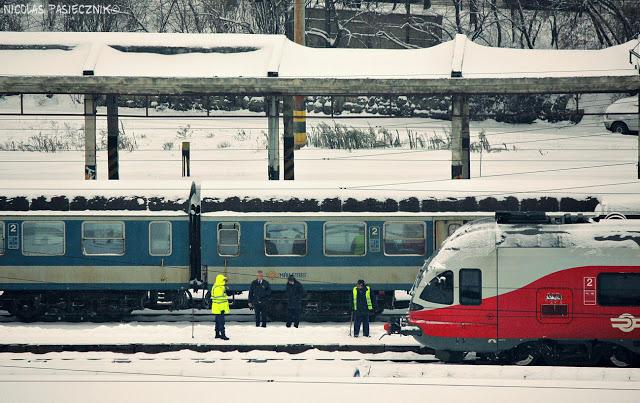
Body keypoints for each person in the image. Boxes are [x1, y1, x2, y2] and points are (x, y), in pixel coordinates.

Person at [211, 274, 230, 340]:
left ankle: (217, 334)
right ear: (220, 280)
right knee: (221, 322)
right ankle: (223, 335)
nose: (224, 281)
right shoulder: (219, 288)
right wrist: (226, 296)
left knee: (217, 321)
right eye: (223, 280)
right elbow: (221, 298)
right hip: (220, 307)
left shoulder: (217, 286)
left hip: (218, 307)